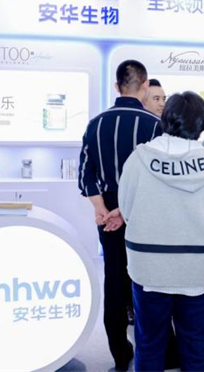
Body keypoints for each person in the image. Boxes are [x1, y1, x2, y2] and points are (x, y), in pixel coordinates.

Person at [118, 91, 204, 372]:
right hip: (199, 269)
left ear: (165, 119)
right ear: (201, 123)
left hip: (150, 268)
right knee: (196, 348)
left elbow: (127, 211)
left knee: (149, 345)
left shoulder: (138, 160)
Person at [77, 60, 161, 372]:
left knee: (114, 278)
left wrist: (100, 208)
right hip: (143, 210)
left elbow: (85, 174)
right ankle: (151, 351)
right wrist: (124, 210)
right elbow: (158, 178)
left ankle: (119, 354)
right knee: (147, 281)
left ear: (117, 86)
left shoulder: (95, 124)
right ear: (145, 86)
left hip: (108, 214)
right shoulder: (154, 125)